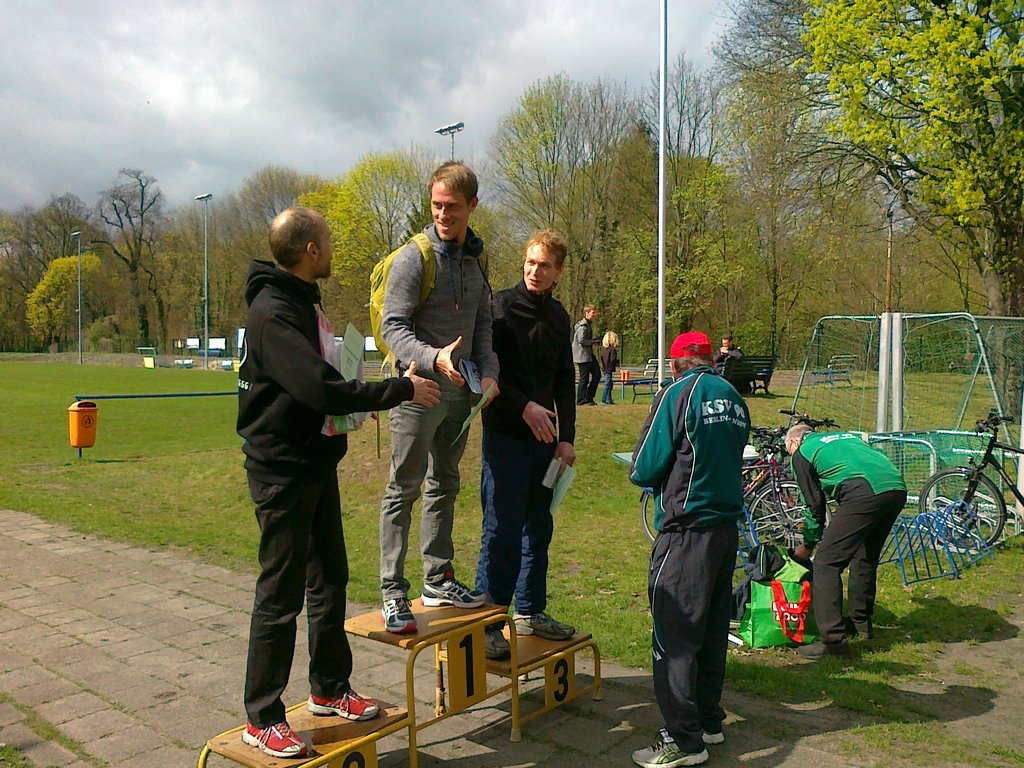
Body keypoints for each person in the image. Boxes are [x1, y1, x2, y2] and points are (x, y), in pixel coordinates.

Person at [237, 207, 441, 759]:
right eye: (327, 240)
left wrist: (354, 404)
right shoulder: (273, 312)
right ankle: (262, 716)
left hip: (314, 461)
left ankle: (329, 689)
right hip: (281, 470)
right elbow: (320, 387)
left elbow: (329, 376)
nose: (332, 247)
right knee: (279, 594)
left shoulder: (303, 300)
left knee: (329, 578)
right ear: (309, 251)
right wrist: (398, 391)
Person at [378, 162, 500, 634]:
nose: (443, 214)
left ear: (472, 205)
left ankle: (438, 578)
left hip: (462, 392)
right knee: (402, 489)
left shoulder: (477, 257)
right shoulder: (414, 256)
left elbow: (483, 324)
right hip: (419, 388)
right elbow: (393, 327)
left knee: (445, 485)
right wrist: (432, 359)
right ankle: (392, 592)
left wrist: (489, 373)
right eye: (436, 206)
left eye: (452, 206)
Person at [628, 331, 750, 768]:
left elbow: (644, 466)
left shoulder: (676, 394)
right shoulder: (733, 395)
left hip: (685, 530)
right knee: (712, 631)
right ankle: (709, 721)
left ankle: (683, 739)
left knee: (674, 635)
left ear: (677, 362)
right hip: (724, 529)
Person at [475, 230, 577, 660]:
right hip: (506, 435)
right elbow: (487, 373)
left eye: (545, 266)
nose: (535, 271)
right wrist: (524, 408)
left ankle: (530, 611)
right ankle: (487, 623)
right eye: (530, 263)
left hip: (546, 443)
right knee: (501, 529)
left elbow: (564, 380)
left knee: (539, 527)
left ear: (559, 272)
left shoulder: (559, 316)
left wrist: (567, 437)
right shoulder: (497, 308)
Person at [786, 425, 907, 659]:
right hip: (895, 486)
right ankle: (860, 624)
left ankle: (832, 642)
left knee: (826, 563)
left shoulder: (802, 453)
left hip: (863, 492)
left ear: (793, 442)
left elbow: (814, 506)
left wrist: (808, 544)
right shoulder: (846, 437)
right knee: (865, 555)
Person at [572, 305, 601, 406]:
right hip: (582, 356)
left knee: (597, 374)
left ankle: (589, 398)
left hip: (588, 355)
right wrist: (593, 342)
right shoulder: (583, 326)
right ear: (587, 313)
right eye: (593, 313)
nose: (595, 315)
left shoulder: (587, 325)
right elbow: (581, 341)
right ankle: (581, 400)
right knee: (584, 378)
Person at [600, 331, 619, 405]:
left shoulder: (604, 349)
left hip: (605, 368)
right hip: (609, 369)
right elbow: (612, 359)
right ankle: (603, 400)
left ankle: (608, 399)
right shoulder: (612, 350)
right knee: (607, 384)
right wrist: (617, 363)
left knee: (609, 384)